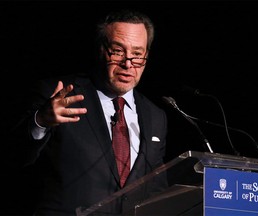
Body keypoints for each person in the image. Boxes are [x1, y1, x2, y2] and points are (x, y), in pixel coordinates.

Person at [10, 9, 168, 216]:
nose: (128, 64)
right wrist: (40, 122)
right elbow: (13, 158)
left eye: (137, 54)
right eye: (118, 51)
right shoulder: (57, 95)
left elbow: (157, 188)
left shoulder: (155, 116)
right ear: (100, 50)